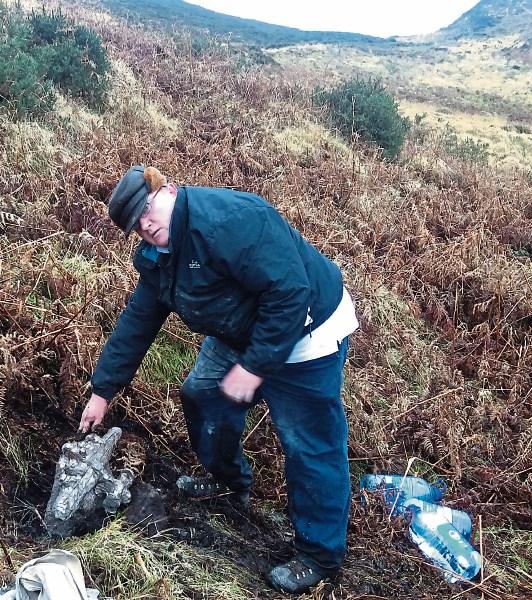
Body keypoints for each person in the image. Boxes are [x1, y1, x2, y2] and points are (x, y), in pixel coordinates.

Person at [79, 164, 358, 593]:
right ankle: (228, 481)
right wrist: (102, 390)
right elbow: (138, 321)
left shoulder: (230, 220)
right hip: (238, 329)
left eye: (149, 208)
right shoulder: (159, 258)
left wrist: (253, 368)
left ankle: (319, 554)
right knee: (203, 395)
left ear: (170, 190)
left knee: (308, 443)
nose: (147, 224)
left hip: (305, 330)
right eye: (137, 224)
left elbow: (290, 292)